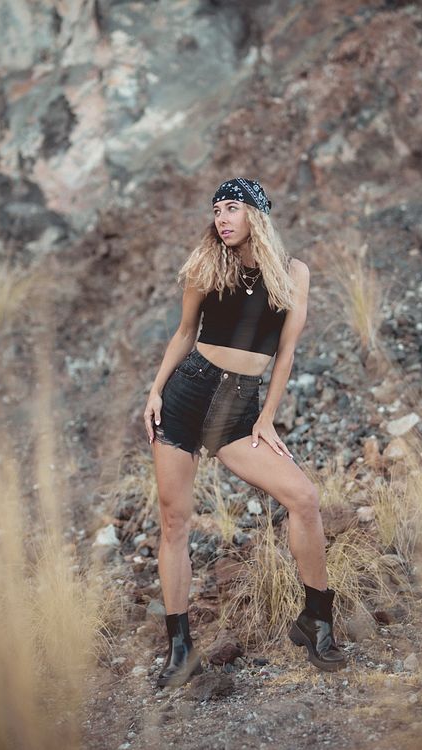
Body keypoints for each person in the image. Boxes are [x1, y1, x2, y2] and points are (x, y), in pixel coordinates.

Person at [143, 177, 346, 688]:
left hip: (238, 411)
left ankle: (316, 619)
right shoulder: (207, 263)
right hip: (186, 395)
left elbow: (286, 353)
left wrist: (266, 417)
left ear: (257, 213)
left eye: (232, 207)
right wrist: (155, 391)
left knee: (303, 498)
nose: (222, 218)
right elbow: (184, 333)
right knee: (174, 521)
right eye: (216, 210)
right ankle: (180, 649)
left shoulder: (293, 273)